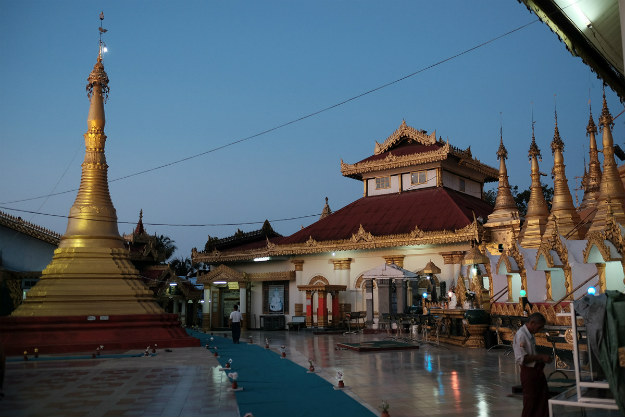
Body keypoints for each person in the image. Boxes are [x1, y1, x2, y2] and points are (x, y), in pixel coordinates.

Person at [513, 312, 553, 417]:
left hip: (536, 371)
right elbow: (522, 359)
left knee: (542, 400)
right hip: (529, 373)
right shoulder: (521, 335)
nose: (540, 330)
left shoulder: (529, 334)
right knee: (531, 402)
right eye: (539, 327)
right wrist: (541, 357)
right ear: (532, 323)